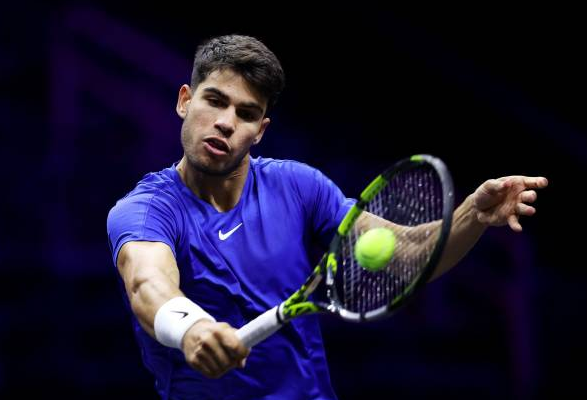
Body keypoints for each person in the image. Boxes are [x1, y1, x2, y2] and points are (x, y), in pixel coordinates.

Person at [106, 34, 548, 399]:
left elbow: (407, 254)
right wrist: (192, 329)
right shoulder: (147, 210)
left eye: (246, 114)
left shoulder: (298, 186)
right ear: (185, 100)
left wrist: (472, 213)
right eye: (214, 101)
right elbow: (148, 284)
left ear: (260, 131)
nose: (225, 122)